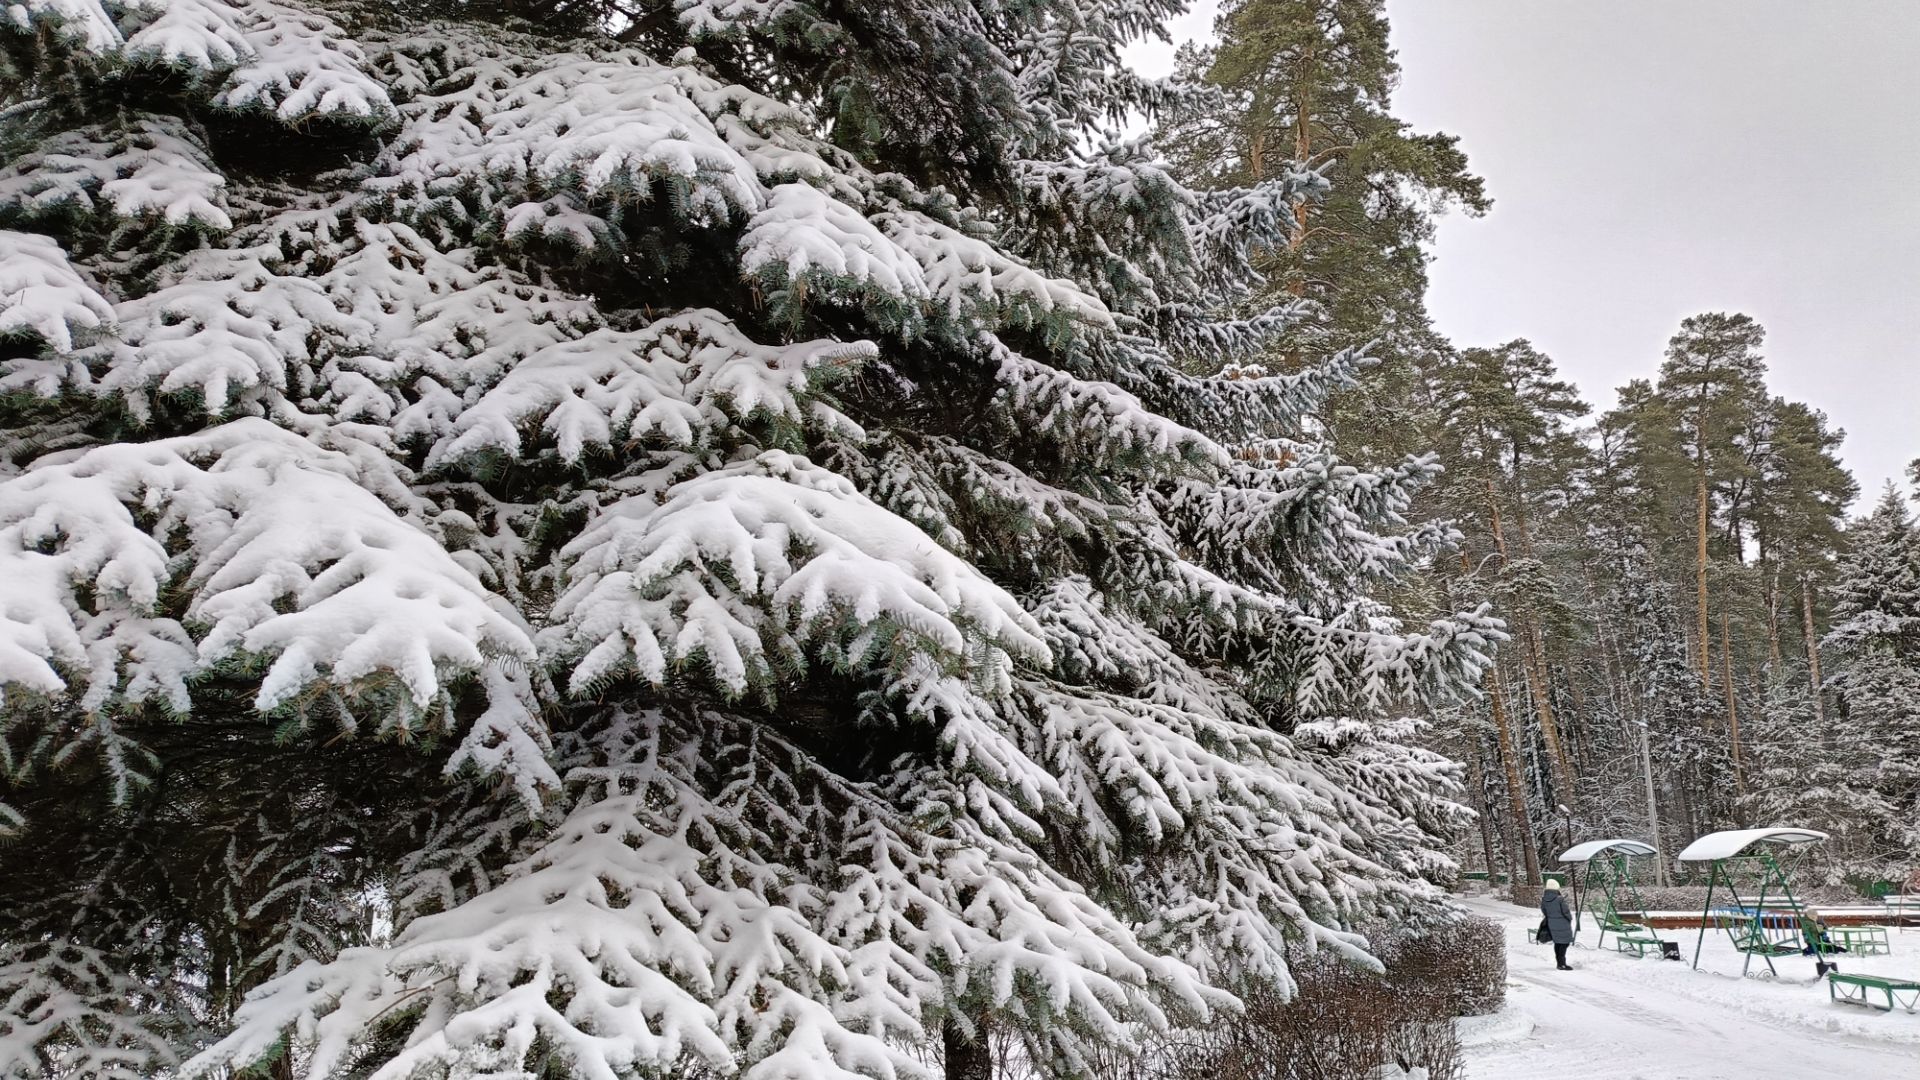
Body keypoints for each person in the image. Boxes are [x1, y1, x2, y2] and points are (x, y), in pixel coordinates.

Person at [1541, 879, 1576, 970]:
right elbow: (1566, 911)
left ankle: (1559, 963)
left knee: (1558, 942)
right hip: (1563, 923)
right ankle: (1562, 964)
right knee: (1565, 943)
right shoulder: (1559, 899)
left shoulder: (1544, 899)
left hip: (1552, 923)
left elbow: (1544, 911)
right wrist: (1569, 919)